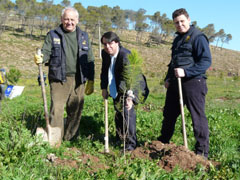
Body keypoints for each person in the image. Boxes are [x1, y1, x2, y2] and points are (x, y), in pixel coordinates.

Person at [34, 7, 95, 144]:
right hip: (59, 78)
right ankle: (55, 142)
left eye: (72, 19)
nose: (69, 22)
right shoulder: (53, 34)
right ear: (62, 19)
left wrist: (91, 79)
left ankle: (69, 138)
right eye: (66, 19)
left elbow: (90, 59)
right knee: (57, 109)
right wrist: (41, 58)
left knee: (76, 110)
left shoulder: (84, 36)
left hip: (79, 79)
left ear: (77, 20)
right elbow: (46, 52)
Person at [158, 8, 211, 158]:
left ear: (188, 19)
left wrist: (187, 72)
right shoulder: (177, 39)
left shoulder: (198, 37)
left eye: (182, 21)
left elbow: (206, 61)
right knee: (168, 114)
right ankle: (163, 142)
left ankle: (202, 151)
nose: (180, 24)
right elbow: (174, 62)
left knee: (197, 116)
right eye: (176, 23)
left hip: (194, 82)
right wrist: (168, 78)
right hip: (175, 83)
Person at [100, 31, 145, 151]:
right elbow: (104, 70)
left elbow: (132, 78)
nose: (107, 47)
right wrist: (104, 88)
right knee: (118, 111)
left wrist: (131, 97)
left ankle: (131, 145)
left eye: (110, 43)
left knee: (127, 113)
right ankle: (120, 137)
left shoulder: (126, 55)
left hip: (133, 86)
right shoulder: (105, 54)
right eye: (105, 44)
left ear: (117, 43)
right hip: (116, 85)